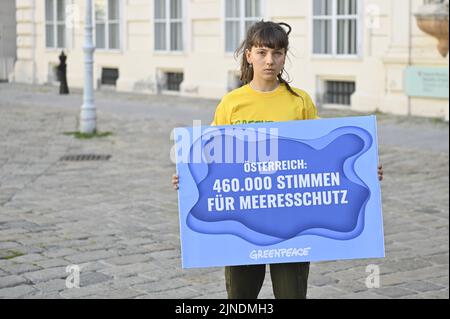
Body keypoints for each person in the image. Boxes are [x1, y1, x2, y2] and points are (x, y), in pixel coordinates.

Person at [172, 20, 383, 299]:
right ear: (249, 55)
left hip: (292, 224)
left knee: (292, 293)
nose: (269, 61)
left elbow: (323, 154)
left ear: (285, 56)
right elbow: (212, 156)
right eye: (261, 52)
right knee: (240, 296)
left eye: (277, 53)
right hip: (243, 221)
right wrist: (187, 176)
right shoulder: (232, 103)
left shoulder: (300, 102)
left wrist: (364, 168)